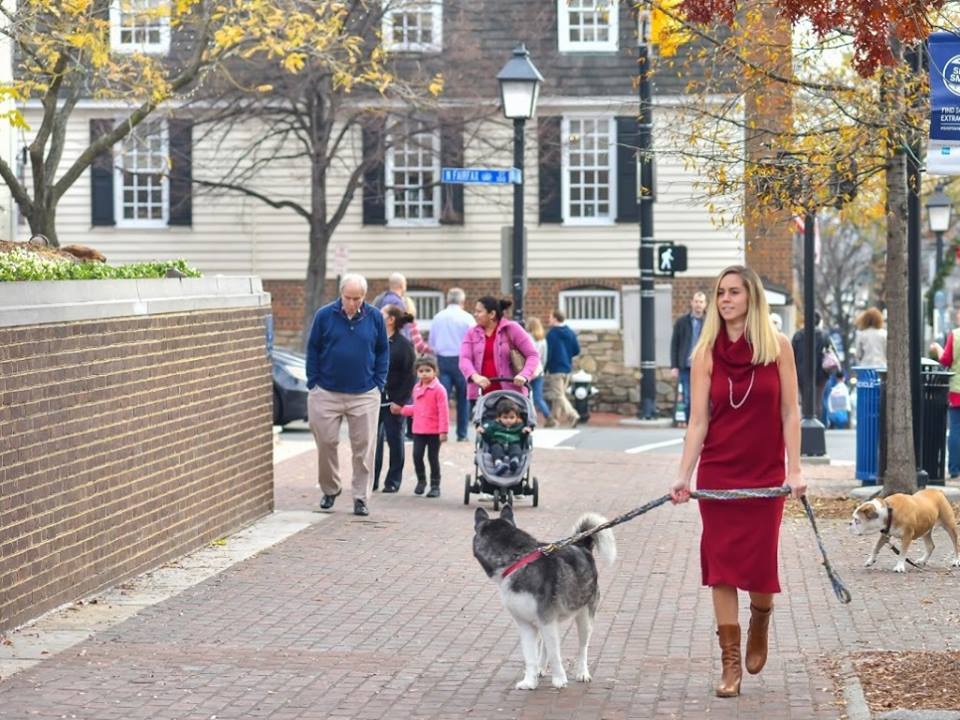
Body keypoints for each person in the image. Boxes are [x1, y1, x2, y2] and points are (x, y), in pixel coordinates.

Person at [669, 265, 805, 699]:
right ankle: (730, 663)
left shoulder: (778, 347)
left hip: (765, 474)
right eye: (720, 293)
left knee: (761, 566)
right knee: (721, 565)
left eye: (733, 292)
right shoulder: (705, 353)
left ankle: (760, 619)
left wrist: (796, 469)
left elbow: (790, 412)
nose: (724, 300)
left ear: (752, 298)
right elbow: (697, 421)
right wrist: (682, 475)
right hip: (719, 474)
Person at [306, 273, 389, 517]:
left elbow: (383, 350)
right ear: (340, 294)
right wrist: (313, 382)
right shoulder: (324, 315)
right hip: (326, 391)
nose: (353, 303)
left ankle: (361, 498)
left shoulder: (374, 317)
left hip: (364, 393)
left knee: (363, 448)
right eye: (348, 298)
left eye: (358, 298)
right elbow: (313, 348)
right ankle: (330, 489)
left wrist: (379, 383)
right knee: (326, 442)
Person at [459, 296, 539, 404]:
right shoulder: (471, 333)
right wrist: (475, 376)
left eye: (479, 311)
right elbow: (464, 359)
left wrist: (524, 374)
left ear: (492, 314)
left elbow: (532, 355)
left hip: (511, 395)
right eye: (475, 311)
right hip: (481, 395)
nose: (475, 314)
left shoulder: (512, 329)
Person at [391, 355, 449, 497]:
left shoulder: (439, 390)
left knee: (432, 458)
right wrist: (402, 410)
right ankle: (421, 481)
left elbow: (443, 411)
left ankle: (435, 485)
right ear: (416, 372)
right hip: (419, 430)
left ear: (435, 371)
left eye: (428, 370)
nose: (424, 373)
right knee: (417, 456)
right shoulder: (416, 388)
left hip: (434, 431)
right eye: (421, 371)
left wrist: (443, 431)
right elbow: (417, 408)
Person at [373, 305, 416, 493]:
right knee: (371, 442)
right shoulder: (374, 340)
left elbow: (410, 375)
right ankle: (371, 480)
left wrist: (400, 401)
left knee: (395, 440)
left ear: (391, 320)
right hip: (373, 399)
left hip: (394, 402)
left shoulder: (404, 345)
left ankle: (393, 480)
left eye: (382, 314)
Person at [429, 287, 476, 442]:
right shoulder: (468, 318)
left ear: (448, 300)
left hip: (442, 360)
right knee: (464, 398)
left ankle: (439, 431)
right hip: (462, 360)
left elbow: (432, 343)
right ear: (462, 301)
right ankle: (462, 434)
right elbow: (474, 342)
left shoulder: (438, 317)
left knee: (441, 398)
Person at [930, 307, 960, 478]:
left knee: (956, 429)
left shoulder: (955, 335)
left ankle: (955, 469)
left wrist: (938, 349)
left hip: (957, 390)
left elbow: (945, 361)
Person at [670, 291, 708, 427]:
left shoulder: (710, 323)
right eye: (696, 302)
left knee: (703, 396)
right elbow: (675, 344)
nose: (698, 305)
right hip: (686, 366)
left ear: (705, 305)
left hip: (704, 366)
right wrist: (674, 366)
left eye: (701, 302)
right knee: (687, 397)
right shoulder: (682, 322)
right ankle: (689, 421)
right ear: (692, 303)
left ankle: (701, 422)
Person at [543, 308, 581, 428]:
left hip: (556, 368)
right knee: (559, 395)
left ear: (555, 318)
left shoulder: (552, 334)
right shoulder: (570, 332)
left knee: (558, 395)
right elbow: (576, 350)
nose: (548, 319)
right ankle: (554, 420)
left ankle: (572, 415)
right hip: (567, 368)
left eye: (550, 317)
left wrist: (545, 367)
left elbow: (548, 353)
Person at [791, 311, 832, 419]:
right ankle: (818, 424)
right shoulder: (824, 336)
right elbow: (830, 353)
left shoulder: (798, 336)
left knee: (805, 400)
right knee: (818, 400)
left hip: (801, 373)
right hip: (821, 373)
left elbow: (792, 355)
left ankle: (805, 425)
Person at [477, 397, 533, 475]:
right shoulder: (494, 425)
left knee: (516, 448)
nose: (508, 420)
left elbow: (522, 440)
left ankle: (514, 461)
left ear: (517, 417)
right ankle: (499, 464)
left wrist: (525, 433)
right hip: (498, 443)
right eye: (505, 417)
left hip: (513, 443)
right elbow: (488, 437)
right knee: (496, 448)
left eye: (512, 417)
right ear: (499, 417)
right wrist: (483, 432)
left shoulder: (520, 426)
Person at [526, 317, 550, 422]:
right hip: (539, 369)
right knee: (538, 398)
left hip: (528, 369)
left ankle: (531, 418)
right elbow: (544, 357)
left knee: (527, 396)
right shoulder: (543, 339)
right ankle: (548, 417)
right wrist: (541, 368)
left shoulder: (526, 337)